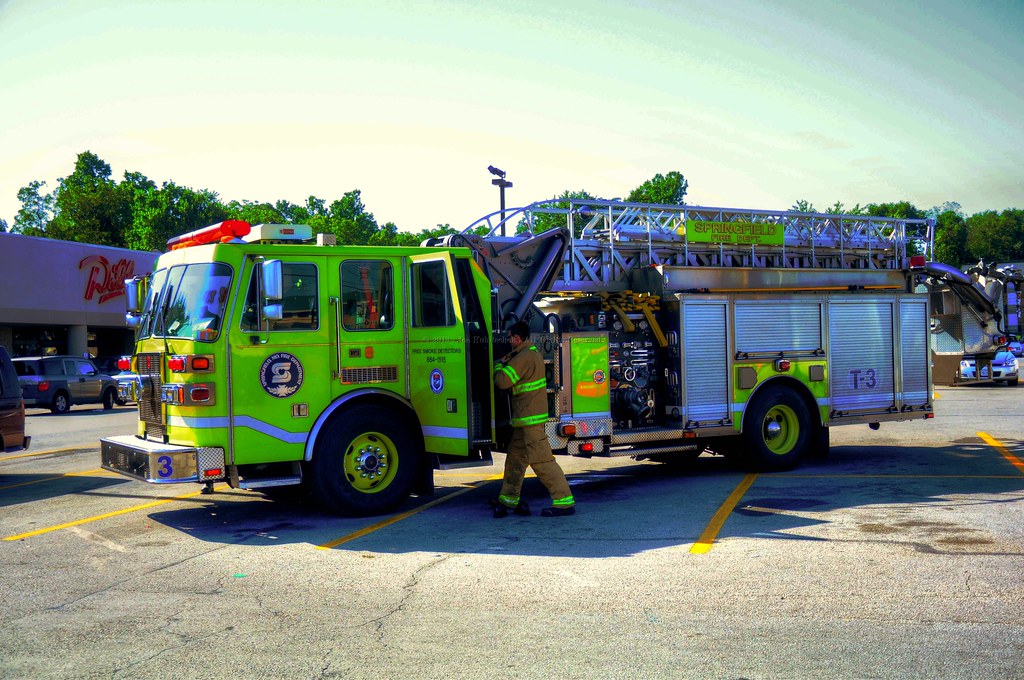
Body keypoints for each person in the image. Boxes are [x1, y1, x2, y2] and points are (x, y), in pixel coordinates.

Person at [491, 321, 576, 518]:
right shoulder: (528, 353)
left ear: (517, 338)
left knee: (542, 461)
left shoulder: (524, 357)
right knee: (515, 460)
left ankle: (564, 501)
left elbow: (502, 381)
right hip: (524, 420)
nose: (509, 340)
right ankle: (509, 498)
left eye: (510, 337)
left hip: (530, 420)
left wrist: (497, 365)